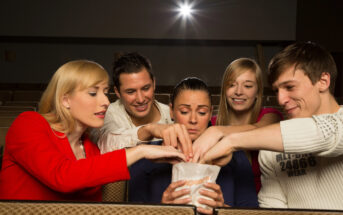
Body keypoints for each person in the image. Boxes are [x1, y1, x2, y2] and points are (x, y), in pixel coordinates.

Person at [0, 60, 186, 201]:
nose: (105, 101)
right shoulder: (28, 124)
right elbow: (64, 177)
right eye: (93, 93)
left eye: (105, 92)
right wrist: (141, 150)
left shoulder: (91, 149)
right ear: (65, 99)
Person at [195, 42, 343, 209]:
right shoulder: (270, 151)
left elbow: (326, 132)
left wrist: (230, 140)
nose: (281, 99)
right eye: (276, 91)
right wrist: (223, 211)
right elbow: (271, 211)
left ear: (323, 81)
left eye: (289, 87)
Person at [128, 77, 258, 215]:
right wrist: (163, 210)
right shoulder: (146, 156)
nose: (193, 120)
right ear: (171, 111)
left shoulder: (235, 156)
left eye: (202, 112)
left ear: (210, 114)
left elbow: (251, 212)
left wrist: (223, 210)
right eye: (184, 111)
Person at [208, 58, 283, 193]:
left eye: (247, 86)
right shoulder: (212, 124)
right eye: (232, 85)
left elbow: (260, 129)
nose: (238, 91)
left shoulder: (271, 116)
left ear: (257, 92)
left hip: (261, 204)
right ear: (224, 89)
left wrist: (217, 132)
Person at [96, 52, 192, 157]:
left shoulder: (171, 113)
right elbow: (106, 144)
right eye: (131, 92)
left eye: (146, 88)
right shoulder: (108, 113)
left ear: (154, 84)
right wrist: (149, 130)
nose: (140, 99)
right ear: (117, 92)